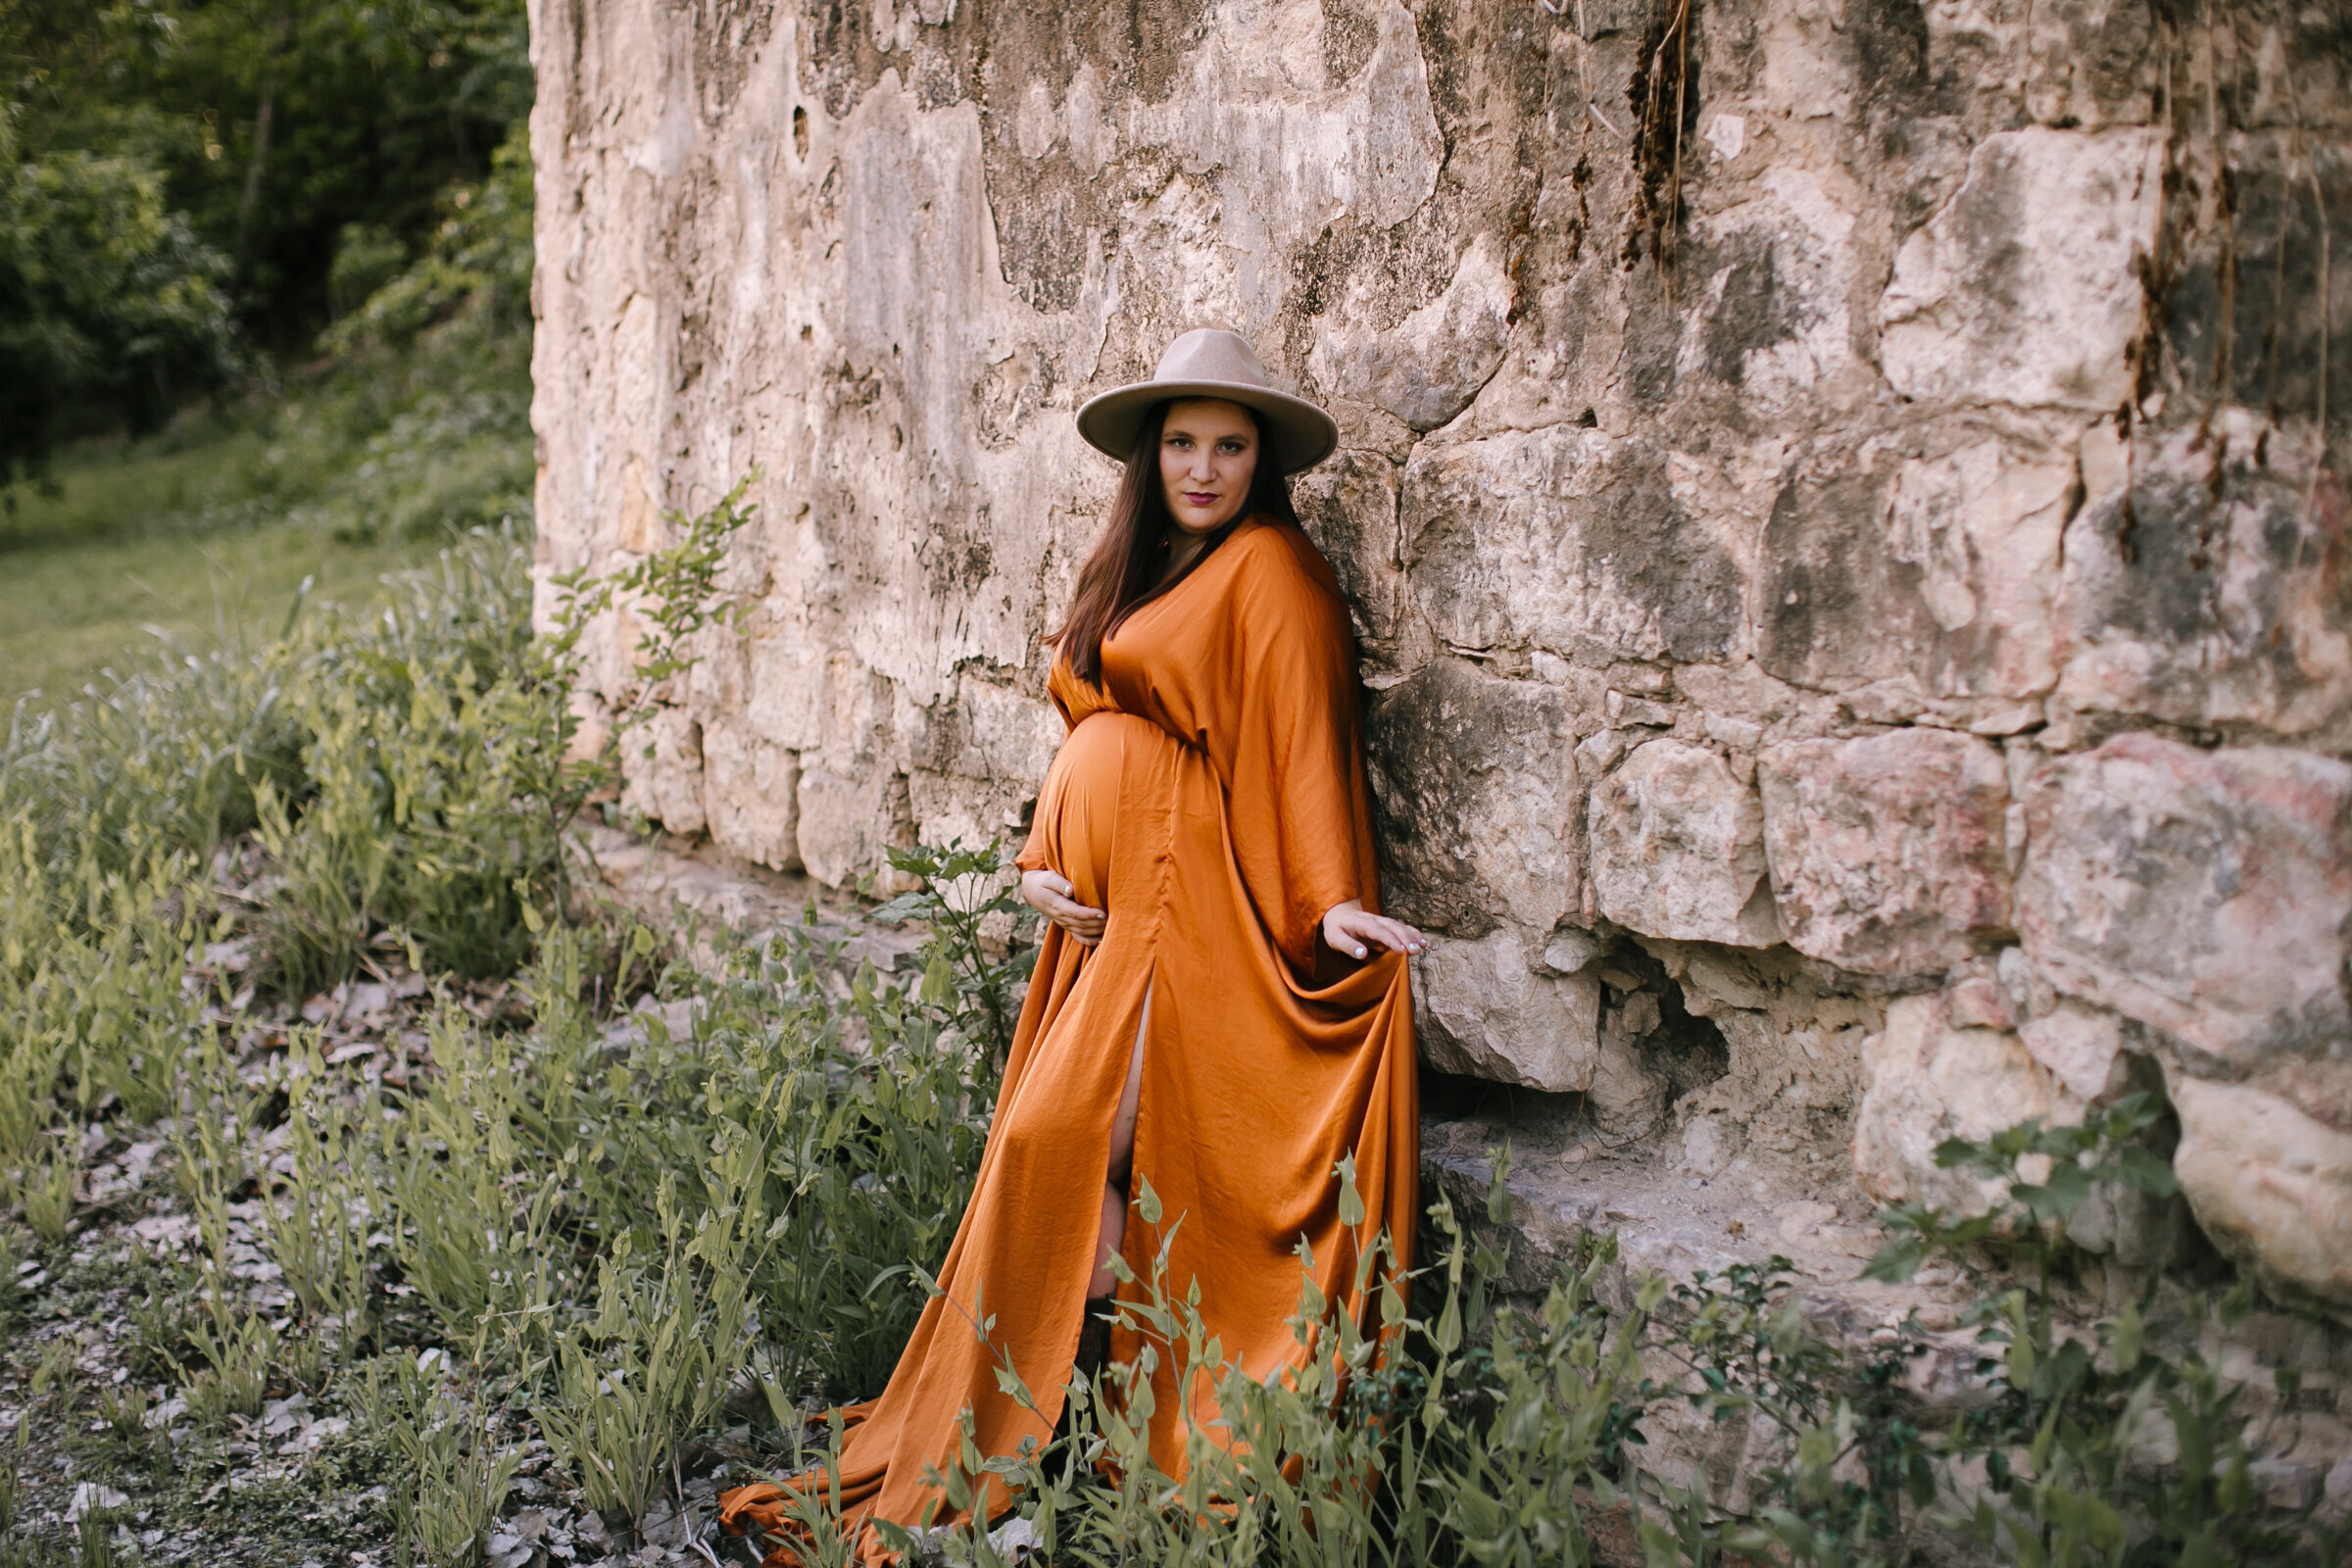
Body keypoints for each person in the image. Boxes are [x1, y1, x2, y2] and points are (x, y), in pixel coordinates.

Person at [722, 328, 1423, 1561]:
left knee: (1061, 1145)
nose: (1204, 466)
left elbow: (1305, 738)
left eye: (1231, 445)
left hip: (1189, 916)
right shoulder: (1143, 566)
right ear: (1153, 457)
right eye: (1185, 443)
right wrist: (1046, 852)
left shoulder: (1274, 572)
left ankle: (1108, 1450)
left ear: (1263, 463)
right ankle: (1084, 1438)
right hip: (1112, 917)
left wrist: (1328, 906)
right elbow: (1093, 735)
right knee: (1077, 1173)